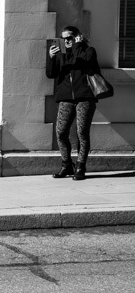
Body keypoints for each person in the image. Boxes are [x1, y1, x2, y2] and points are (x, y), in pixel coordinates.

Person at [45, 25, 99, 181]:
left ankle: (80, 166)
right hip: (65, 98)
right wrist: (51, 57)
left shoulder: (88, 51)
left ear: (77, 37)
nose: (66, 41)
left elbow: (85, 61)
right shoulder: (61, 55)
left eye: (69, 38)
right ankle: (67, 165)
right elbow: (51, 74)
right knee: (61, 132)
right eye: (63, 39)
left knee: (82, 133)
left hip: (85, 98)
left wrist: (77, 45)